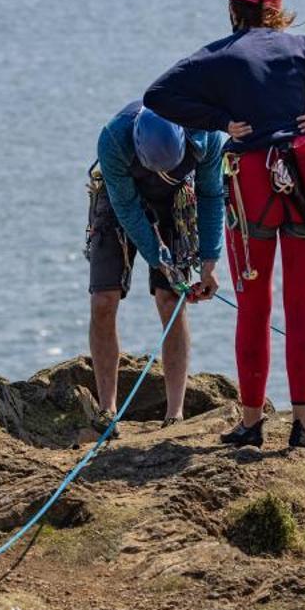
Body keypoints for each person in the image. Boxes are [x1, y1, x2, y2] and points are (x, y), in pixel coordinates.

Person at [142, 0, 305, 451]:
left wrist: (219, 122)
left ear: (234, 11)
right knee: (304, 308)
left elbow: (158, 96)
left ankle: (251, 423)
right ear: (277, 10)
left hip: (251, 183)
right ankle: (303, 426)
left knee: (254, 309)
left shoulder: (218, 55)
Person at [87, 101, 226, 426]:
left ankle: (174, 413)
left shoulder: (206, 136)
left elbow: (211, 196)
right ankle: (107, 411)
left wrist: (209, 261)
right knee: (102, 300)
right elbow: (129, 211)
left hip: (176, 199)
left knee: (171, 299)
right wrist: (161, 261)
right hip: (119, 199)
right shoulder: (113, 139)